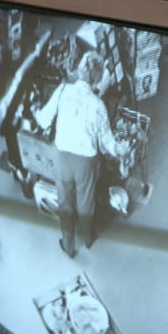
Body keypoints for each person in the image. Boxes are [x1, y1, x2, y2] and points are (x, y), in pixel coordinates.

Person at [34, 51, 128, 258]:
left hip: (62, 158)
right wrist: (120, 149)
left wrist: (34, 111)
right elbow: (106, 144)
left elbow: (42, 120)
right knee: (86, 202)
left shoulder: (62, 90)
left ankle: (68, 246)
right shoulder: (98, 105)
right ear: (97, 78)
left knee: (65, 202)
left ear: (79, 70)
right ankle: (88, 238)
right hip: (86, 163)